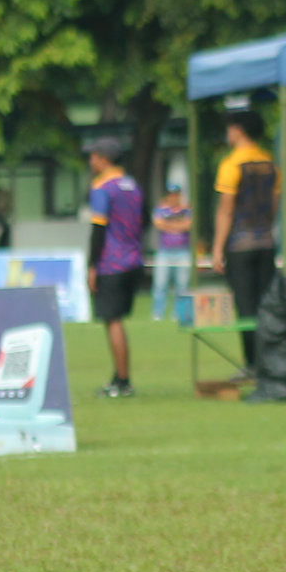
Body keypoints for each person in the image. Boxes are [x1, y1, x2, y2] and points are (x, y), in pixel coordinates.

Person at [210, 110, 279, 370]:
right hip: (266, 243)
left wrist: (217, 249)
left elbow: (226, 210)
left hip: (240, 245)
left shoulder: (231, 165)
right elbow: (273, 206)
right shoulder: (269, 163)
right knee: (266, 306)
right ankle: (269, 360)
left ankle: (252, 363)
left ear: (238, 130)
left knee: (246, 307)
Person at [84, 137, 144, 399]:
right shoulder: (133, 185)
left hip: (112, 262)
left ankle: (122, 380)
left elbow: (98, 230)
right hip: (134, 259)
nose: (90, 161)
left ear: (104, 159)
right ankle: (120, 378)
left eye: (93, 156)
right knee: (117, 319)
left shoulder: (102, 187)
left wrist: (92, 266)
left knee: (113, 321)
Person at [150, 182, 193, 322]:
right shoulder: (161, 209)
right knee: (160, 285)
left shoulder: (186, 209)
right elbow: (158, 224)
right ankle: (158, 314)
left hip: (182, 251)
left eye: (176, 194)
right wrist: (177, 225)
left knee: (182, 285)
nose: (174, 197)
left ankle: (178, 315)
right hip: (164, 252)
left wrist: (169, 224)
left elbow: (188, 225)